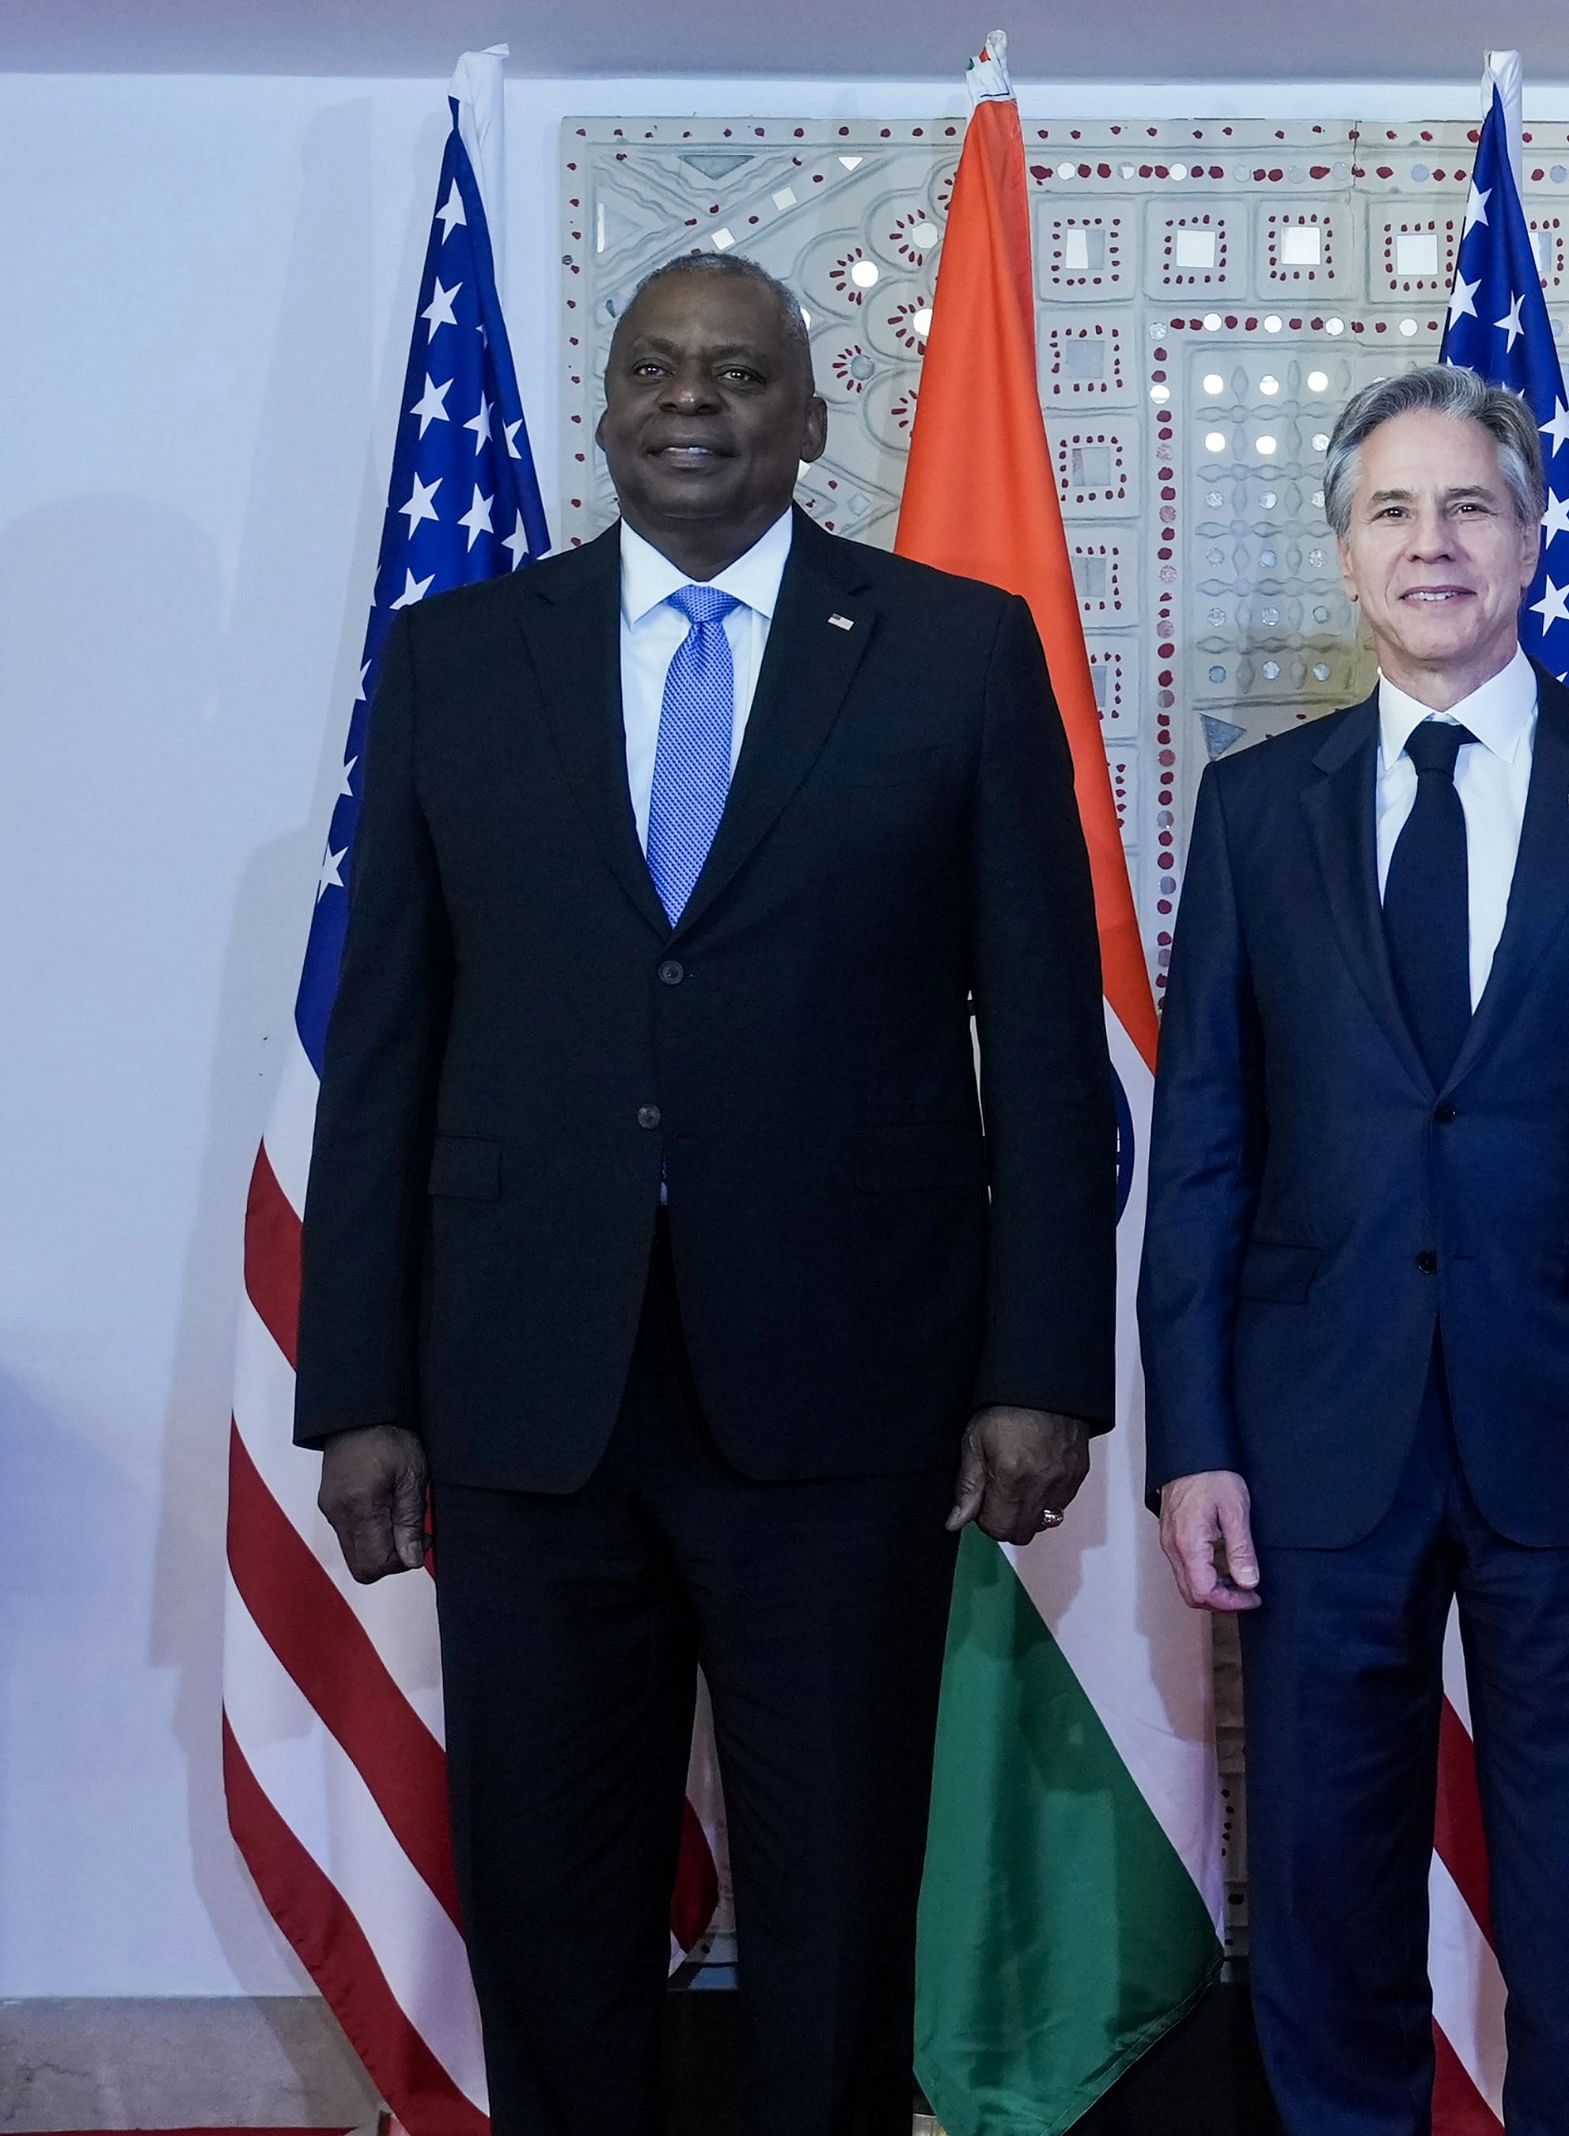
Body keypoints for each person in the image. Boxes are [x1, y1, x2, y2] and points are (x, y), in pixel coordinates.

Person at [295, 250, 1116, 2135]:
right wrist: (360, 1390)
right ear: (601, 411)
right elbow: (388, 1049)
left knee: (832, 1893)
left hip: (843, 1395)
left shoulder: (953, 651)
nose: (692, 400)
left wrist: (1040, 1368)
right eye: (656, 369)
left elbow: (1047, 1053)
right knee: (545, 1887)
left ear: (811, 420)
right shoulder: (459, 656)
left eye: (738, 374)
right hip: (524, 1394)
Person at [1139, 364, 1569, 2136]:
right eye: (1393, 513)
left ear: (1527, 540)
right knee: (1326, 1889)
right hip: (1313, 1435)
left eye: (1469, 509)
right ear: (1344, 556)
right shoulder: (1260, 809)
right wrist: (1191, 1435)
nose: (1434, 545)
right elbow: (1203, 1143)